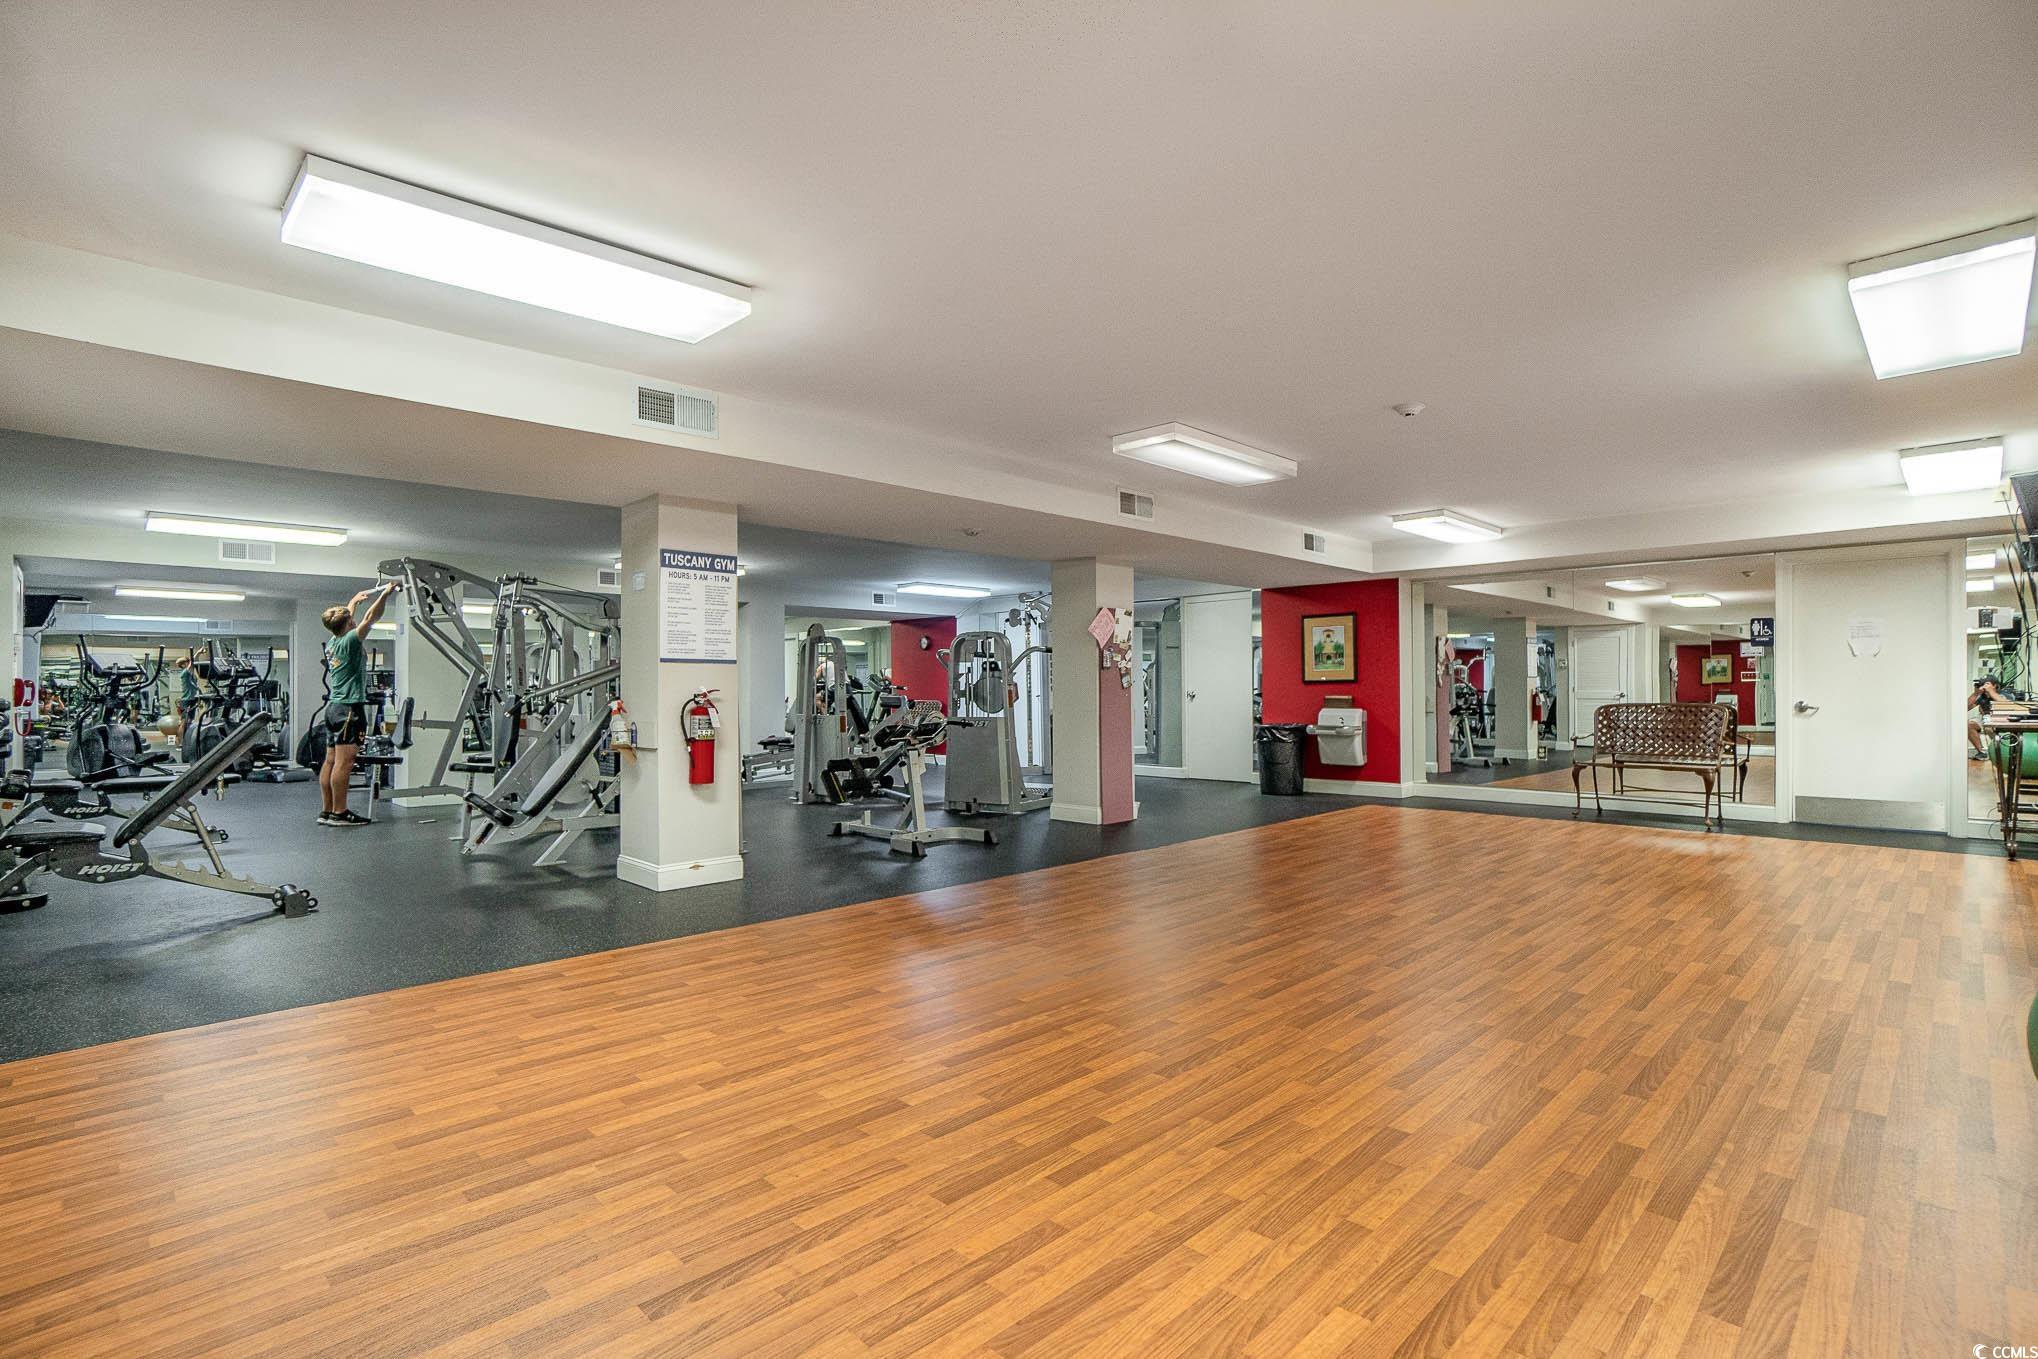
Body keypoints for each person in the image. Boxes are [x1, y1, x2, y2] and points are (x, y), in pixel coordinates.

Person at [319, 583, 396, 827]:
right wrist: (385, 594)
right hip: (349, 709)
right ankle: (340, 813)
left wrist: (353, 601)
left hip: (334, 708)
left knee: (331, 760)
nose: (354, 621)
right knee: (345, 762)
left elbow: (345, 619)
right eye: (351, 619)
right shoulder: (350, 641)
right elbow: (371, 618)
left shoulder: (333, 641)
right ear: (348, 624)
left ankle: (327, 811)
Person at [1968, 676, 2002, 761]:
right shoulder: (1982, 696)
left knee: (1989, 728)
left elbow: (2005, 704)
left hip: (1998, 718)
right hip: (1983, 717)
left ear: (1995, 685)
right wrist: (1976, 694)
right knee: (1968, 725)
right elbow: (1966, 707)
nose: (1984, 685)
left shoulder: (2003, 694)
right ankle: (1982, 752)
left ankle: (2000, 752)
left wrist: (1991, 692)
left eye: (1987, 683)